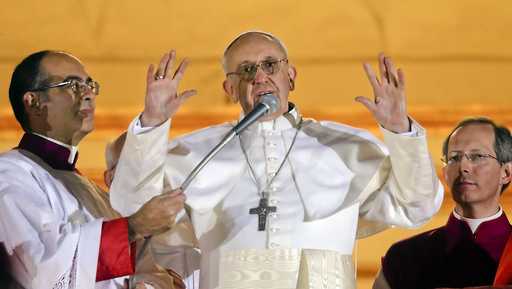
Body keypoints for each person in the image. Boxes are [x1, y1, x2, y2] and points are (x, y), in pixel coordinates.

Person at [109, 31, 444, 289]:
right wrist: (152, 124)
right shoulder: (197, 152)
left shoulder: (347, 147)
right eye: (246, 70)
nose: (260, 76)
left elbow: (418, 205)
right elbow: (131, 206)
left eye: (271, 65)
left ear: (291, 76)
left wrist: (400, 131)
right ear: (229, 87)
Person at [0, 50, 188, 289]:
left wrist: (155, 281)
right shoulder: (10, 174)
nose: (88, 94)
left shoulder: (93, 192)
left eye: (90, 85)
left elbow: (135, 269)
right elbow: (35, 271)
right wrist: (133, 227)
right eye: (73, 85)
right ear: (33, 101)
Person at [373, 118, 512, 289]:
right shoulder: (403, 256)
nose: (464, 167)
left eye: (477, 156)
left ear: (505, 173)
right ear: (445, 173)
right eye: (454, 158)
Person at [104, 132, 200, 289]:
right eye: (134, 166)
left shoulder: (199, 227)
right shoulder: (107, 245)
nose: (152, 180)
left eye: (157, 166)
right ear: (110, 178)